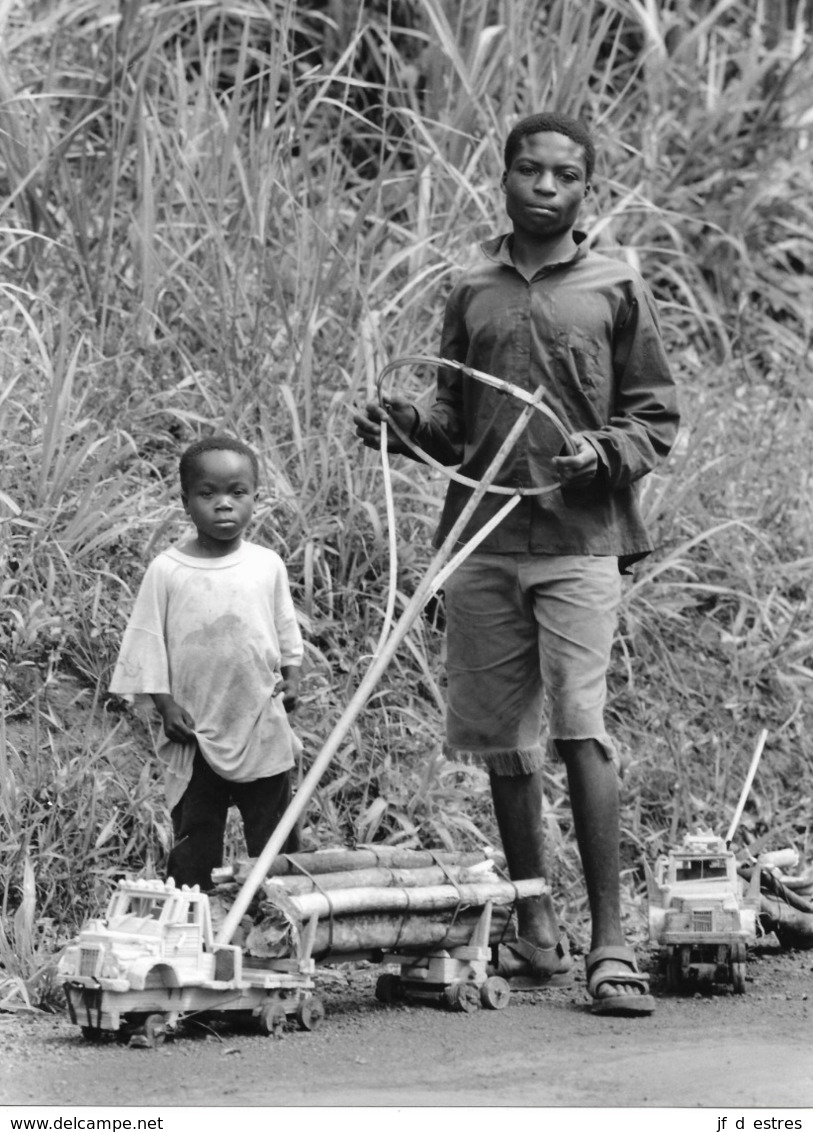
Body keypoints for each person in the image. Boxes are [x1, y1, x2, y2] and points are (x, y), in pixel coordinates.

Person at [354, 112, 679, 1015]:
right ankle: (537, 930)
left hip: (579, 542)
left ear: (586, 191)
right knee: (505, 742)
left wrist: (601, 454)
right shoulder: (471, 287)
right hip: (482, 541)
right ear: (500, 179)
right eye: (528, 171)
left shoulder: (615, 283)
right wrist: (401, 430)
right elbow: (454, 426)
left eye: (564, 175)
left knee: (580, 728)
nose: (544, 186)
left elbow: (654, 416)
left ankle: (609, 946)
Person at [110, 435, 303, 890]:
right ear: (185, 501)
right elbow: (146, 642)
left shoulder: (266, 565)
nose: (223, 505)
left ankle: (283, 922)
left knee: (276, 841)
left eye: (237, 493)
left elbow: (285, 631)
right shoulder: (168, 570)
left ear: (256, 498)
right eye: (207, 493)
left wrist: (292, 678)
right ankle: (191, 930)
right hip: (194, 730)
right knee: (195, 841)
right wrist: (165, 705)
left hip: (259, 722)